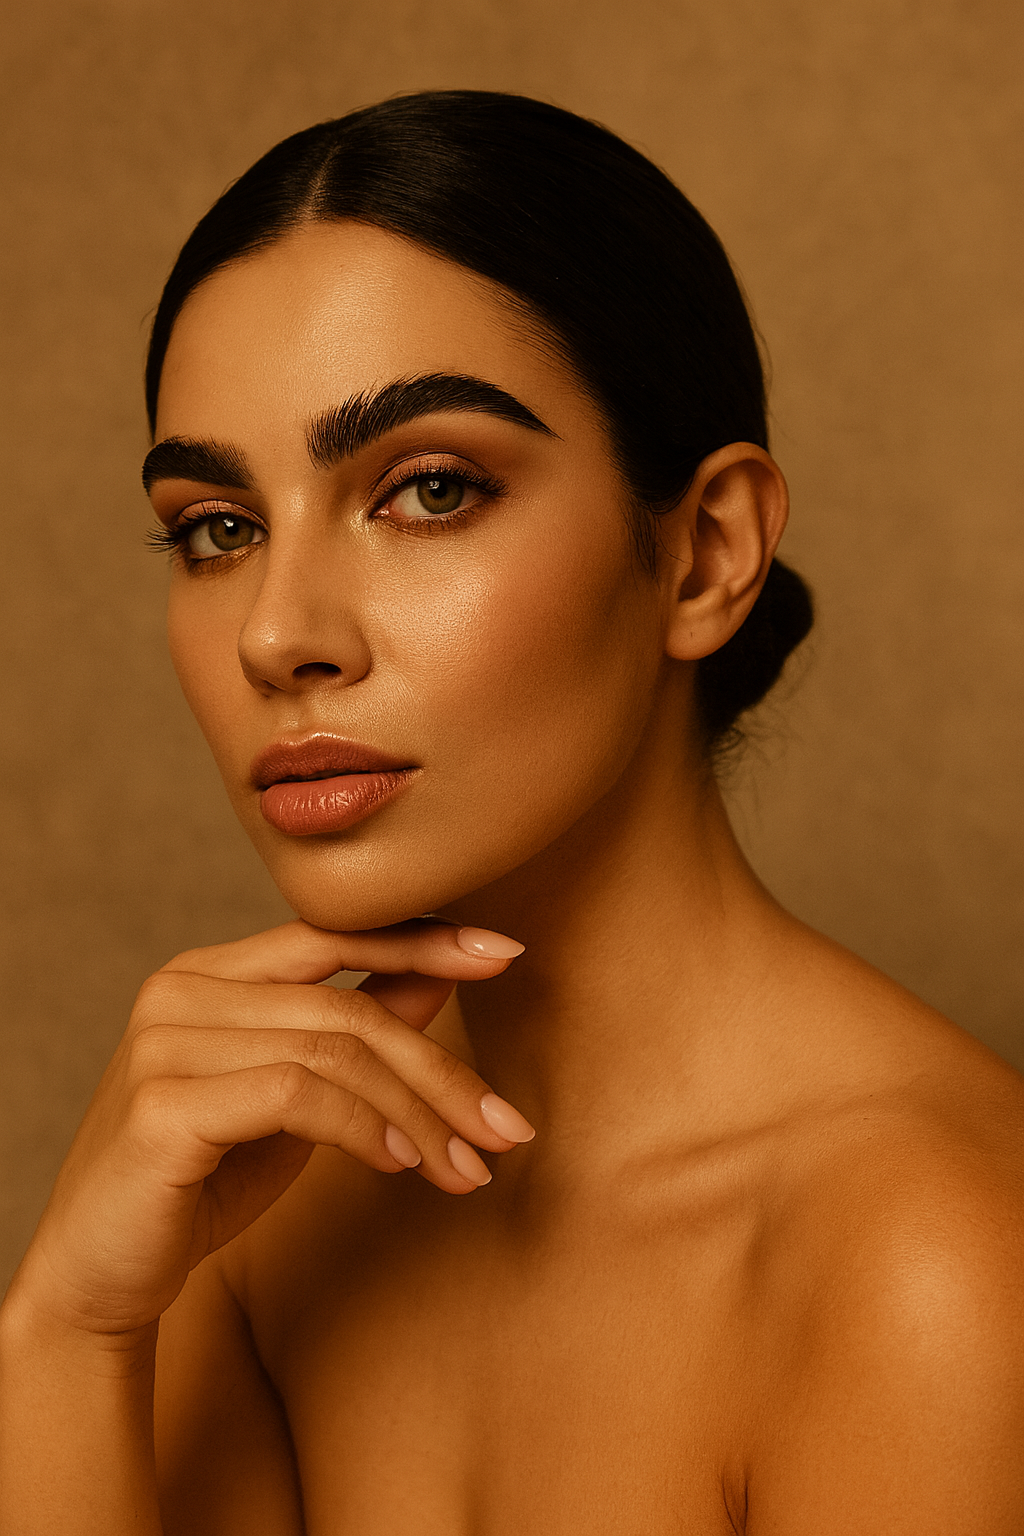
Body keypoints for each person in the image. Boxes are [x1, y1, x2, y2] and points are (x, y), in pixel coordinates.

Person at [1, 89, 1022, 1535]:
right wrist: (64, 1335)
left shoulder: (935, 1264)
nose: (277, 634)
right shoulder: (251, 1213)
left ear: (703, 555)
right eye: (216, 530)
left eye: (426, 490)